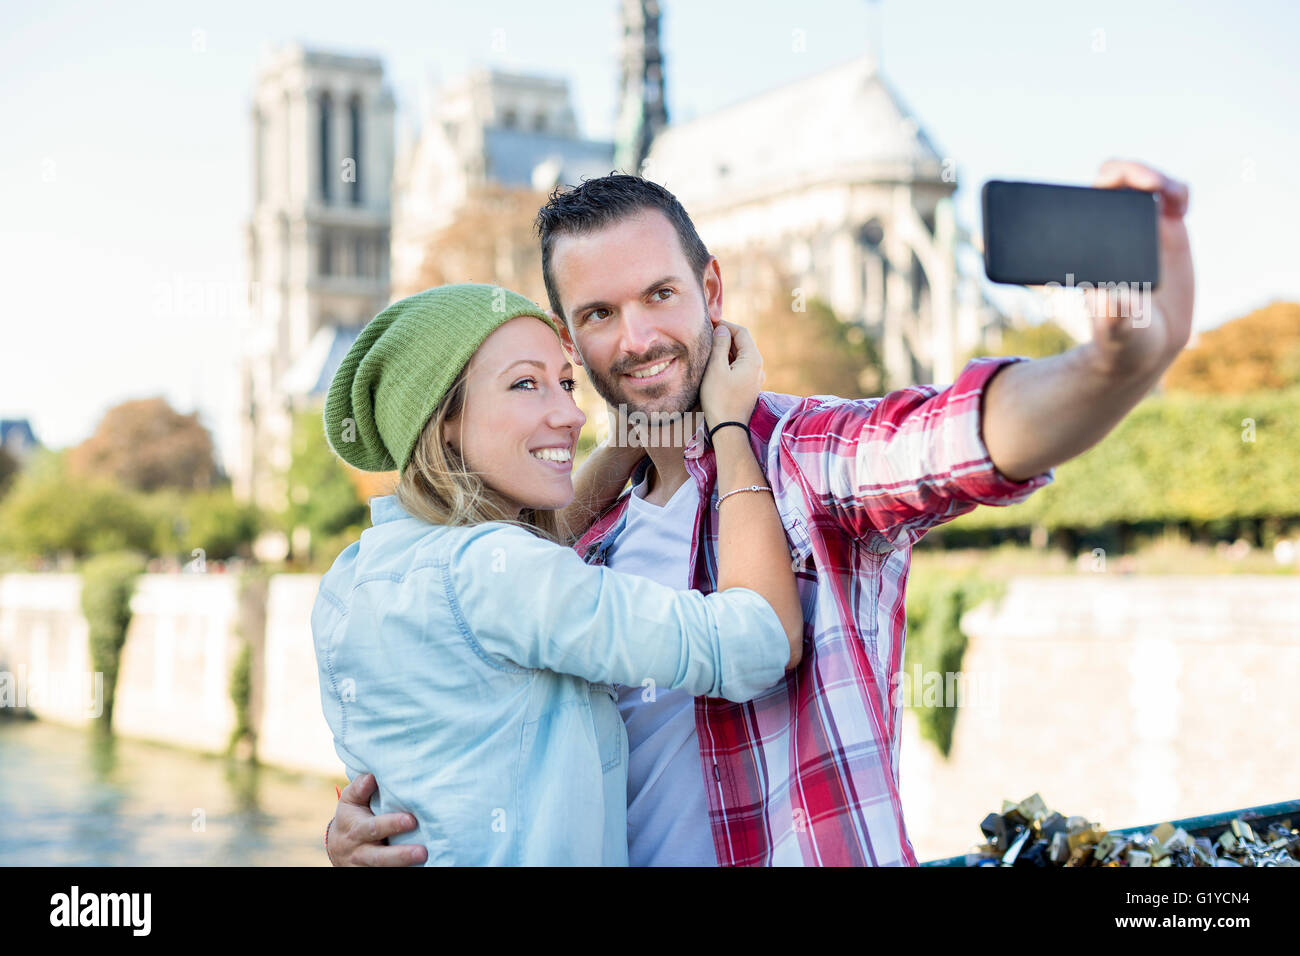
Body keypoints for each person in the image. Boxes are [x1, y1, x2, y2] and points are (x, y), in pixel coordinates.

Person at [328, 160, 1195, 866]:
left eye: (660, 295)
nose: (635, 338)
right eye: (599, 314)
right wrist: (374, 828)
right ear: (567, 335)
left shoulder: (801, 456)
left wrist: (1112, 365)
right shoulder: (562, 522)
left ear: (711, 286)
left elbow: (961, 438)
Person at [311, 283, 803, 866]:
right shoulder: (498, 575)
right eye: (525, 384)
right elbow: (758, 640)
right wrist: (730, 430)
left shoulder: (352, 579)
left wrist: (625, 445)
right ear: (442, 420)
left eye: (566, 383)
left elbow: (522, 560)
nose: (570, 414)